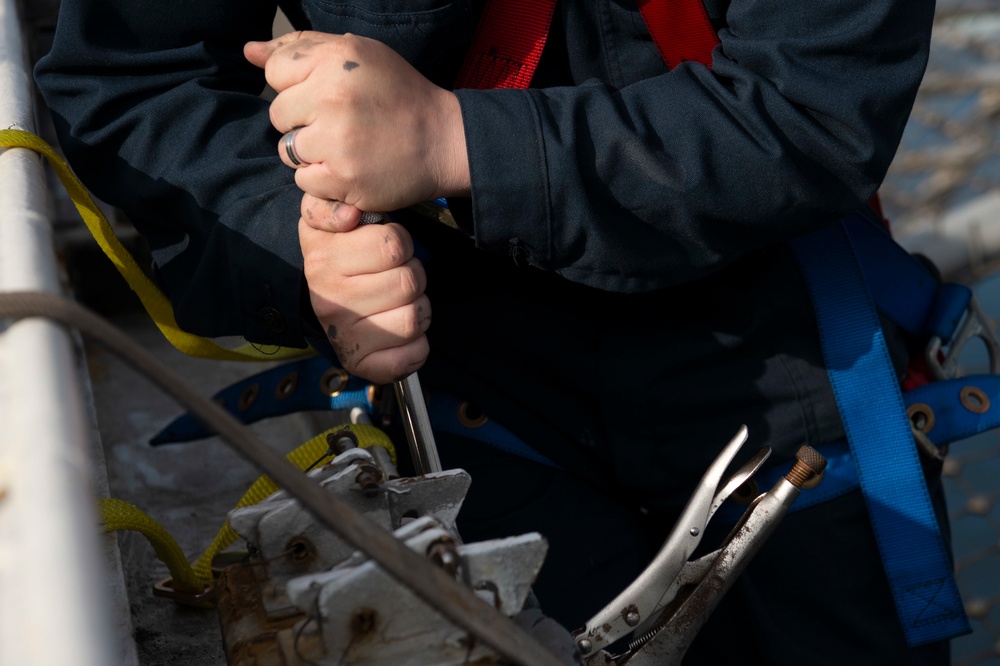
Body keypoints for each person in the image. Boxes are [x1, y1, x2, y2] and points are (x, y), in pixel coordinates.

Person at [35, 1, 944, 663]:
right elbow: (130, 80)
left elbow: (817, 100)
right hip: (466, 396)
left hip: (791, 373)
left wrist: (450, 140)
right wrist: (295, 247)